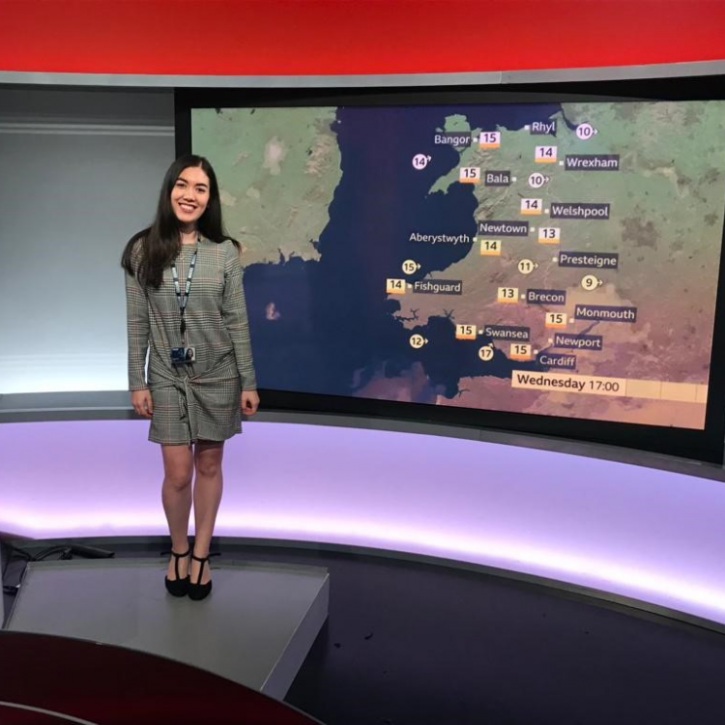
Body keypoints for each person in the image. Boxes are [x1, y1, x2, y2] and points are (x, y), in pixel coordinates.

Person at [121, 154, 259, 601]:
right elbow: (137, 321)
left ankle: (201, 554)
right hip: (165, 374)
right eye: (183, 185)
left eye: (201, 188)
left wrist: (249, 381)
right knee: (178, 473)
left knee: (210, 465)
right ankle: (178, 549)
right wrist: (136, 381)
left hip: (218, 374)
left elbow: (237, 321)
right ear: (169, 191)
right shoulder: (143, 249)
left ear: (209, 199)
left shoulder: (224, 254)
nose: (190, 195)